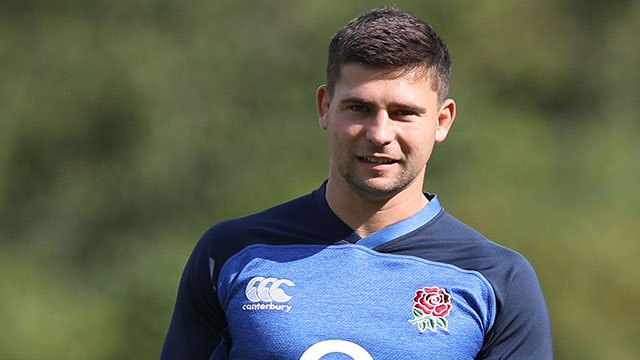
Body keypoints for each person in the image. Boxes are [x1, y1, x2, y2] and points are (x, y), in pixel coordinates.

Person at [161, 7, 553, 359]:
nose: (380, 133)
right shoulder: (230, 254)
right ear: (325, 108)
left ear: (442, 121)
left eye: (404, 113)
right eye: (359, 108)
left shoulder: (497, 280)